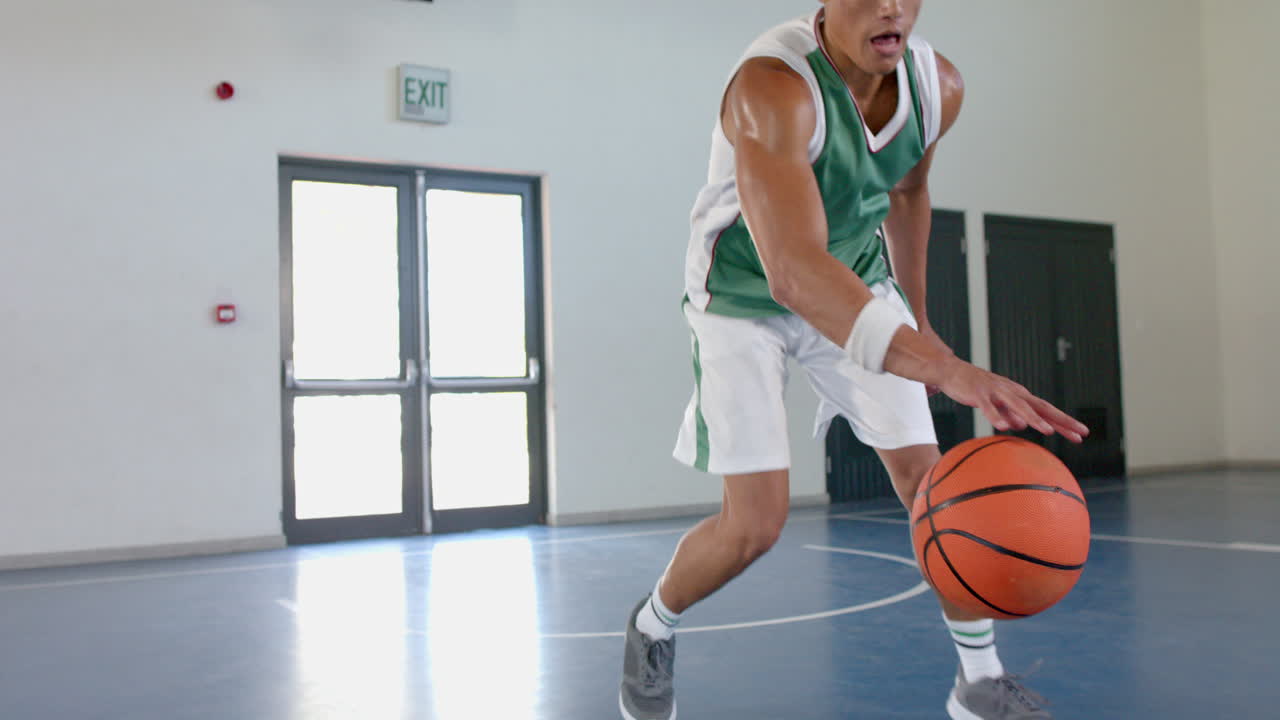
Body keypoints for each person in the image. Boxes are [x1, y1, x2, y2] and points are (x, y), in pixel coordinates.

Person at [618, 2, 1089, 719]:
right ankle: (653, 624)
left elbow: (907, 192)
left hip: (859, 277)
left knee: (936, 485)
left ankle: (979, 681)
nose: (891, 5)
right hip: (745, 296)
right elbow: (794, 272)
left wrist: (922, 326)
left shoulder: (939, 90)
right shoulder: (771, 86)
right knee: (755, 525)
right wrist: (937, 366)